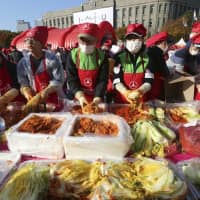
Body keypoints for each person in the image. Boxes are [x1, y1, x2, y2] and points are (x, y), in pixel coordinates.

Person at [17, 26, 64, 111]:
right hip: (34, 100)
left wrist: (46, 91)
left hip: (53, 99)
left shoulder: (53, 59)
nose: (29, 43)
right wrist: (25, 90)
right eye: (27, 40)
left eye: (33, 40)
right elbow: (23, 82)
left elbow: (59, 80)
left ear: (41, 43)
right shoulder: (22, 63)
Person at [65, 22, 109, 107]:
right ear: (78, 40)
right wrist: (80, 96)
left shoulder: (102, 57)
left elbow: (102, 80)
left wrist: (97, 98)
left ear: (96, 41)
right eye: (82, 40)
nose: (85, 44)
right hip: (78, 96)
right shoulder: (73, 55)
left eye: (89, 41)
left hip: (97, 96)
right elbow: (71, 79)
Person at [113, 23, 154, 104]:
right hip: (122, 102)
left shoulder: (148, 58)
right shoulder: (119, 58)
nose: (132, 42)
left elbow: (149, 81)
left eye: (135, 38)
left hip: (141, 100)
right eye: (129, 39)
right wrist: (126, 92)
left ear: (142, 40)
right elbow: (117, 80)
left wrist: (140, 91)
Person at [170, 33, 200, 100]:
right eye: (197, 48)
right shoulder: (181, 55)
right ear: (191, 45)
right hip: (174, 77)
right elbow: (178, 73)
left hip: (191, 77)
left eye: (199, 49)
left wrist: (197, 80)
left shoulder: (198, 56)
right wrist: (193, 78)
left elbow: (197, 69)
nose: (198, 50)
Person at [146, 31, 172, 100]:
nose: (169, 46)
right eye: (168, 43)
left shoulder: (149, 51)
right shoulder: (158, 53)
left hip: (148, 87)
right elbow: (166, 73)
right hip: (155, 87)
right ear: (163, 43)